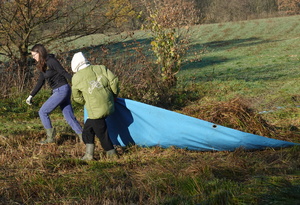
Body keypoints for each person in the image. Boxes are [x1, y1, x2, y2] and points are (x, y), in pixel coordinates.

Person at [26, 44, 83, 144]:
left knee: (43, 112)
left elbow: (63, 72)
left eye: (34, 55)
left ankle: (50, 138)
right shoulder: (42, 64)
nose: (33, 57)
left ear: (40, 53)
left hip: (62, 90)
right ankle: (84, 137)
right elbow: (41, 81)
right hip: (59, 90)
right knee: (69, 116)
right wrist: (31, 95)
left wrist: (79, 84)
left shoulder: (51, 61)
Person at [71, 52, 119, 160]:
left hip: (95, 110)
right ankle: (89, 154)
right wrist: (113, 95)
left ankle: (112, 155)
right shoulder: (101, 68)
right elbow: (114, 81)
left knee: (102, 133)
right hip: (109, 104)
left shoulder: (76, 77)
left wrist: (86, 102)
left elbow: (76, 97)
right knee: (88, 130)